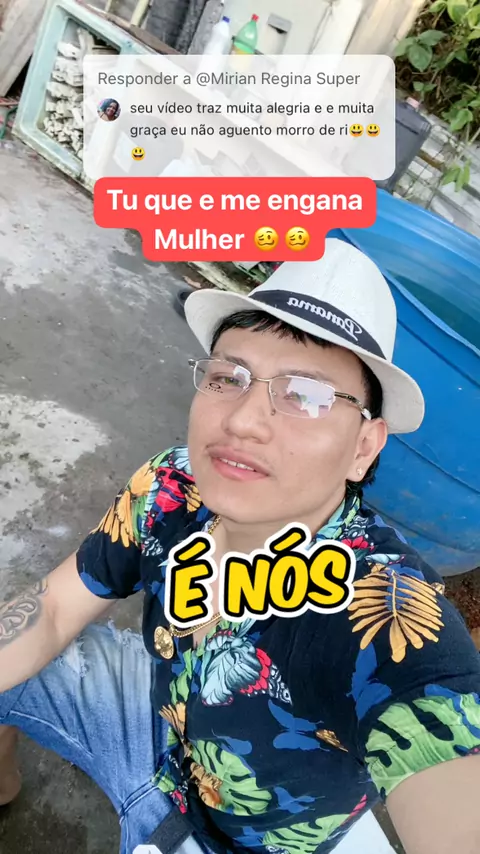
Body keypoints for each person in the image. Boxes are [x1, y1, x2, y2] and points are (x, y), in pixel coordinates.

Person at [1, 238, 480, 854]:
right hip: (151, 726)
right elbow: (55, 609)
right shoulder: (169, 488)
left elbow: (450, 776)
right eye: (230, 377)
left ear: (363, 447)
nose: (243, 420)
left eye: (306, 395)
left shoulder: (384, 609)